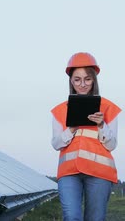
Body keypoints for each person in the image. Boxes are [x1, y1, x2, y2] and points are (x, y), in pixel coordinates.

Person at [51, 52, 121, 221]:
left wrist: (101, 125)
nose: (82, 84)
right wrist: (71, 128)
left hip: (100, 173)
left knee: (95, 218)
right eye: (77, 79)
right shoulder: (59, 110)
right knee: (72, 216)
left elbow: (111, 145)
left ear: (94, 79)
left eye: (87, 79)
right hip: (69, 173)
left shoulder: (109, 108)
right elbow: (56, 143)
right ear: (71, 81)